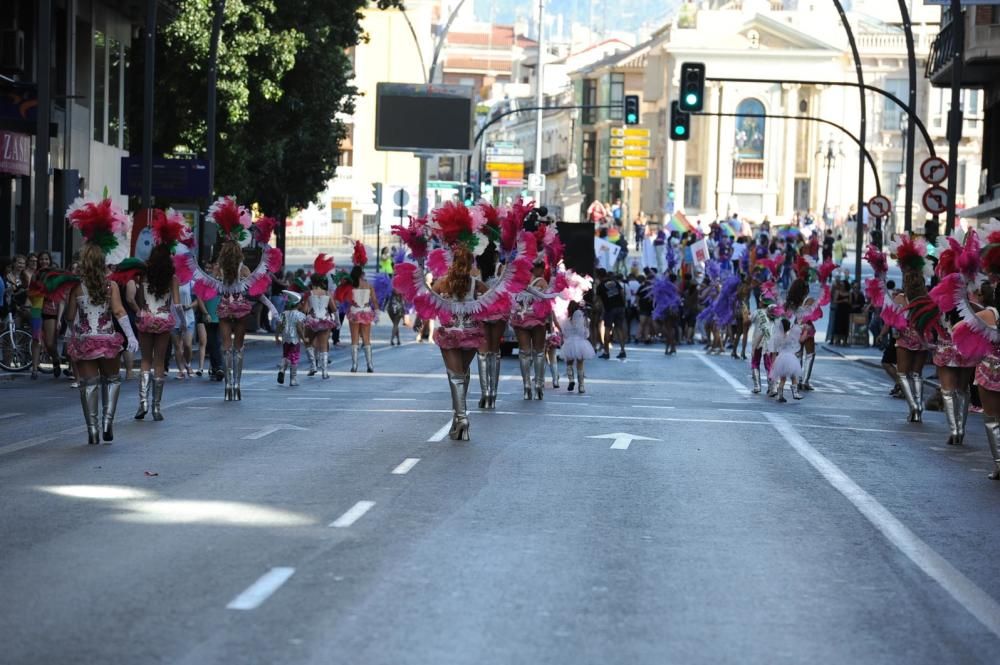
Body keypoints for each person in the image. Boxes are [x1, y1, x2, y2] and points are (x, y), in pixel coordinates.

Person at [175, 197, 280, 400]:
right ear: (239, 254)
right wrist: (273, 309)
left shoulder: (219, 270)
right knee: (238, 348)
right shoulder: (245, 270)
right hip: (240, 309)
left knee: (225, 347)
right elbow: (256, 292)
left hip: (224, 308)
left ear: (224, 254)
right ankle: (236, 384)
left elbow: (208, 284)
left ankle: (228, 386)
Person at [63, 195, 140, 444]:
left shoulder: (76, 288)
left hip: (85, 339)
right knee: (112, 380)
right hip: (107, 339)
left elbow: (70, 317)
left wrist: (69, 337)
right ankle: (108, 422)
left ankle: (93, 430)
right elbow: (119, 312)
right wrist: (129, 337)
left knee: (89, 385)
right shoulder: (110, 287)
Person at [127, 215, 186, 422]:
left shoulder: (143, 276)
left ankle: (141, 404)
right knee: (159, 362)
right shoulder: (172, 278)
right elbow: (177, 305)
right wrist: (183, 323)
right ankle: (156, 407)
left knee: (145, 360)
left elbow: (140, 299)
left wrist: (141, 312)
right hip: (163, 319)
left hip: (145, 318)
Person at [342, 242, 378, 373]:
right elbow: (374, 300)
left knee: (354, 340)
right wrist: (377, 312)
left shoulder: (351, 286)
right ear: (362, 274)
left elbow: (347, 299)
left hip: (355, 311)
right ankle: (370, 365)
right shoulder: (368, 285)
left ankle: (354, 365)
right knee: (367, 339)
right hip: (367, 311)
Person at [304, 254, 338, 379]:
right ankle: (324, 372)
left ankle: (313, 366)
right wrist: (337, 323)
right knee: (324, 345)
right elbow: (334, 309)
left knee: (307, 341)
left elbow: (305, 310)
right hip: (324, 319)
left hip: (312, 320)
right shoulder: (327, 293)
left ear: (312, 282)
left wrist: (304, 319)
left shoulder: (309, 293)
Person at [559, 300, 595, 393]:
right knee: (580, 364)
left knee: (569, 363)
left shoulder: (565, 321)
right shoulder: (583, 320)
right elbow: (586, 334)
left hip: (569, 343)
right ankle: (581, 386)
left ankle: (571, 380)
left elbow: (564, 334)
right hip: (580, 343)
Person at [275, 291, 308, 386]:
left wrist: (277, 337)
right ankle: (293, 379)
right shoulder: (300, 315)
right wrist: (303, 338)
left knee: (285, 355)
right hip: (295, 339)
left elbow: (279, 326)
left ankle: (282, 368)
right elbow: (299, 327)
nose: (302, 304)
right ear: (297, 304)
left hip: (285, 338)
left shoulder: (283, 314)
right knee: (294, 358)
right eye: (301, 302)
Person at [769, 317, 803, 403]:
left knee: (782, 379)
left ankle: (780, 395)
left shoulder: (777, 338)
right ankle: (795, 393)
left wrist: (773, 363)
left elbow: (774, 352)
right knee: (793, 376)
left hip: (781, 358)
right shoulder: (789, 336)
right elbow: (794, 345)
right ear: (788, 327)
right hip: (790, 358)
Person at [596, 268, 627, 359]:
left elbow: (598, 301)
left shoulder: (600, 286)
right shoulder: (615, 282)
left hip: (609, 309)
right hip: (620, 307)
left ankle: (606, 352)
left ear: (598, 276)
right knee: (619, 329)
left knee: (607, 329)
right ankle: (622, 351)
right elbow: (622, 293)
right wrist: (623, 305)